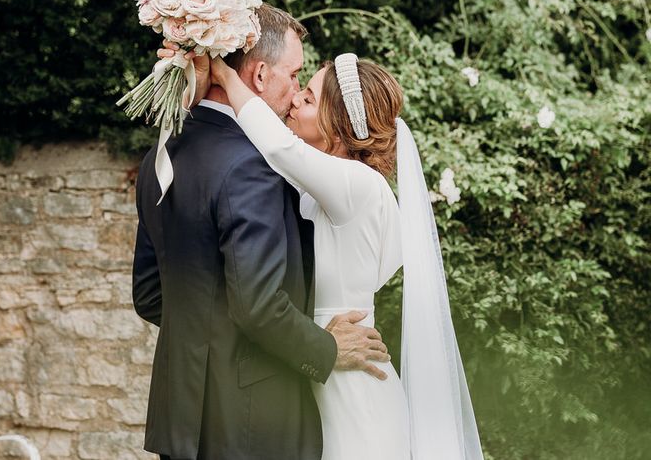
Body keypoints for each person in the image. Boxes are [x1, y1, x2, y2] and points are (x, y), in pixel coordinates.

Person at [132, 5, 391, 460]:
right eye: (294, 76)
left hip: (181, 421)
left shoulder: (163, 155)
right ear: (258, 74)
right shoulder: (254, 168)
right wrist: (324, 349)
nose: (295, 92)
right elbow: (257, 306)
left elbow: (151, 295)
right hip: (254, 423)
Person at [200, 51, 485, 460]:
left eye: (310, 99)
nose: (296, 99)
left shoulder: (358, 185)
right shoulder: (332, 193)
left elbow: (280, 149)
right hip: (323, 365)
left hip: (352, 386)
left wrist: (226, 76)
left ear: (338, 126)